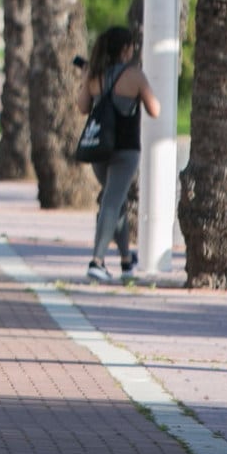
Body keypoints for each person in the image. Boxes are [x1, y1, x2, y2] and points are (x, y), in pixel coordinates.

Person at [76, 25, 161, 284]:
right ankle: (97, 261)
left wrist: (89, 80)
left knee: (117, 201)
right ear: (126, 49)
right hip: (125, 150)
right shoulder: (134, 75)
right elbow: (154, 109)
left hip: (99, 149)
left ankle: (126, 261)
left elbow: (81, 107)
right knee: (111, 203)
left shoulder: (95, 75)